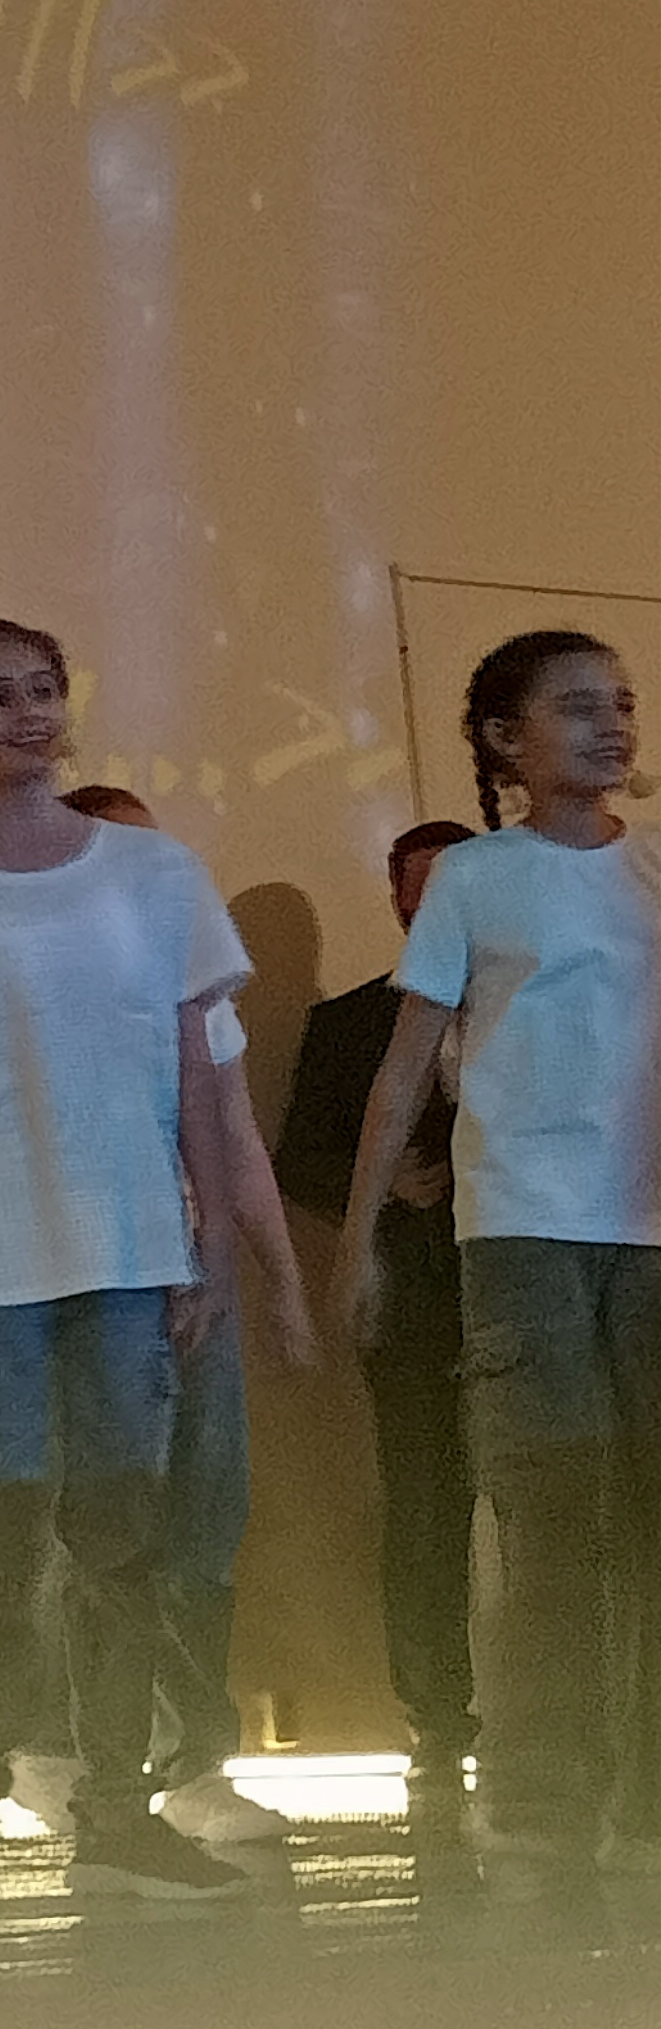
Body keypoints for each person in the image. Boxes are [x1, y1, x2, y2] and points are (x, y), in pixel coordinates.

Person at [0, 621, 315, 1908]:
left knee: (121, 1539)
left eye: (42, 690)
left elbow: (196, 1078)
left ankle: (116, 1808)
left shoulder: (155, 872)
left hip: (129, 1256)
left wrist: (213, 1249)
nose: (26, 712)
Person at [337, 634, 661, 1873]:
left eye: (620, 704)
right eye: (575, 708)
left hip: (651, 1227)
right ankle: (539, 1795)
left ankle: (644, 1799)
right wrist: (359, 1243)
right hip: (524, 1228)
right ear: (502, 740)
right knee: (549, 1513)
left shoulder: (653, 867)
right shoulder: (477, 875)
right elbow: (404, 1068)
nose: (610, 724)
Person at [5, 785, 306, 1854]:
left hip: (197, 1286)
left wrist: (282, 1281)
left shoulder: (196, 995)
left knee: (202, 1526)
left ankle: (193, 1767)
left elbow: (237, 1144)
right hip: (86, 1291)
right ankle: (62, 1753)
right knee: (95, 1530)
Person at [276, 820, 479, 1815]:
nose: (435, 903)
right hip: (410, 1293)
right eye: (418, 887)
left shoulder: (535, 1001)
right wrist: (385, 1184)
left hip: (524, 1274)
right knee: (426, 1507)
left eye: (455, 883)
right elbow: (298, 1157)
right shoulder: (351, 1023)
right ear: (395, 900)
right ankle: (437, 1720)